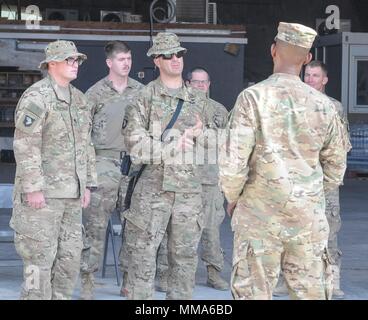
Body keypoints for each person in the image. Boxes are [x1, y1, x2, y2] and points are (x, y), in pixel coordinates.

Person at [218, 23, 347, 300]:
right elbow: (336, 166)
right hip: (307, 219)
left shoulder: (252, 98)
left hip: (258, 217)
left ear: (273, 50)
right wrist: (309, 196)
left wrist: (233, 197)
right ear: (307, 58)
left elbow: (232, 163)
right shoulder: (324, 105)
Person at [122, 32, 212, 300]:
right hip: (152, 191)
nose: (176, 59)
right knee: (143, 256)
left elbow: (218, 141)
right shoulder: (143, 98)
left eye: (179, 54)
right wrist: (174, 145)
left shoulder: (198, 99)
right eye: (169, 55)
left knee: (184, 259)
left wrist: (201, 135)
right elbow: (135, 144)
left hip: (188, 192)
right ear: (156, 60)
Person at [10, 40, 97, 300]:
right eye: (69, 60)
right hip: (43, 198)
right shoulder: (37, 97)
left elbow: (86, 145)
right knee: (38, 265)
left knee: (68, 264)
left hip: (72, 197)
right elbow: (25, 144)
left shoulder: (79, 99)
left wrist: (87, 185)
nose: (75, 65)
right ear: (52, 64)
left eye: (77, 60)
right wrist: (33, 188)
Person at [155, 67, 229, 291]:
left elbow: (227, 144)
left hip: (209, 179)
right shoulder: (177, 107)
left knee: (211, 230)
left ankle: (214, 272)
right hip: (181, 178)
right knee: (174, 229)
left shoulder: (219, 110)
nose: (200, 86)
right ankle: (166, 274)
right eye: (195, 82)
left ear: (209, 85)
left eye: (203, 82)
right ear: (188, 84)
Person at [79, 41, 143, 300]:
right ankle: (88, 283)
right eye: (120, 59)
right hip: (102, 165)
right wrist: (86, 175)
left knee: (134, 227)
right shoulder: (94, 94)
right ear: (109, 63)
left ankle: (130, 282)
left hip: (133, 167)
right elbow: (82, 137)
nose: (126, 63)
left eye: (128, 58)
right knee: (95, 227)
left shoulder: (141, 92)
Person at [304, 60, 352, 298]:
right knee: (293, 230)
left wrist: (333, 176)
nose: (310, 79)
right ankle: (289, 278)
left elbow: (342, 146)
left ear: (325, 80)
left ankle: (332, 281)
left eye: (315, 75)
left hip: (325, 181)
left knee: (329, 231)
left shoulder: (335, 107)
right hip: (297, 179)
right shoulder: (293, 104)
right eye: (307, 75)